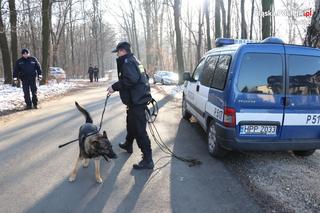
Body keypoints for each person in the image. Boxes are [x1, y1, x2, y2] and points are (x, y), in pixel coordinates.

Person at [107, 41, 154, 170]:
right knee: (131, 124)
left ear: (123, 51)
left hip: (137, 102)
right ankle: (128, 144)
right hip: (136, 101)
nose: (117, 55)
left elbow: (130, 80)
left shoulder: (128, 63)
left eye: (118, 52)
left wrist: (114, 87)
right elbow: (144, 77)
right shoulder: (135, 60)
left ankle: (148, 160)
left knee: (140, 131)